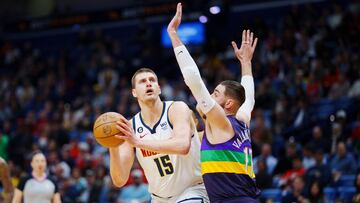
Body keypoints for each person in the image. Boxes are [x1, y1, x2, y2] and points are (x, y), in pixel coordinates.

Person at [167, 3, 260, 202]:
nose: (209, 96)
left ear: (227, 105)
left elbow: (194, 81)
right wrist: (246, 62)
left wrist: (174, 35)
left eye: (215, 93)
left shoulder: (221, 122)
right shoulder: (242, 119)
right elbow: (249, 97)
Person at [109, 67, 208, 203]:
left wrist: (137, 142)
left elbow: (182, 146)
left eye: (152, 80)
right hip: (158, 199)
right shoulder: (130, 127)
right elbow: (119, 180)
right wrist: (112, 146)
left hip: (191, 191)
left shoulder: (177, 109)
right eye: (143, 81)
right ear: (134, 92)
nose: (149, 83)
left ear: (159, 89)